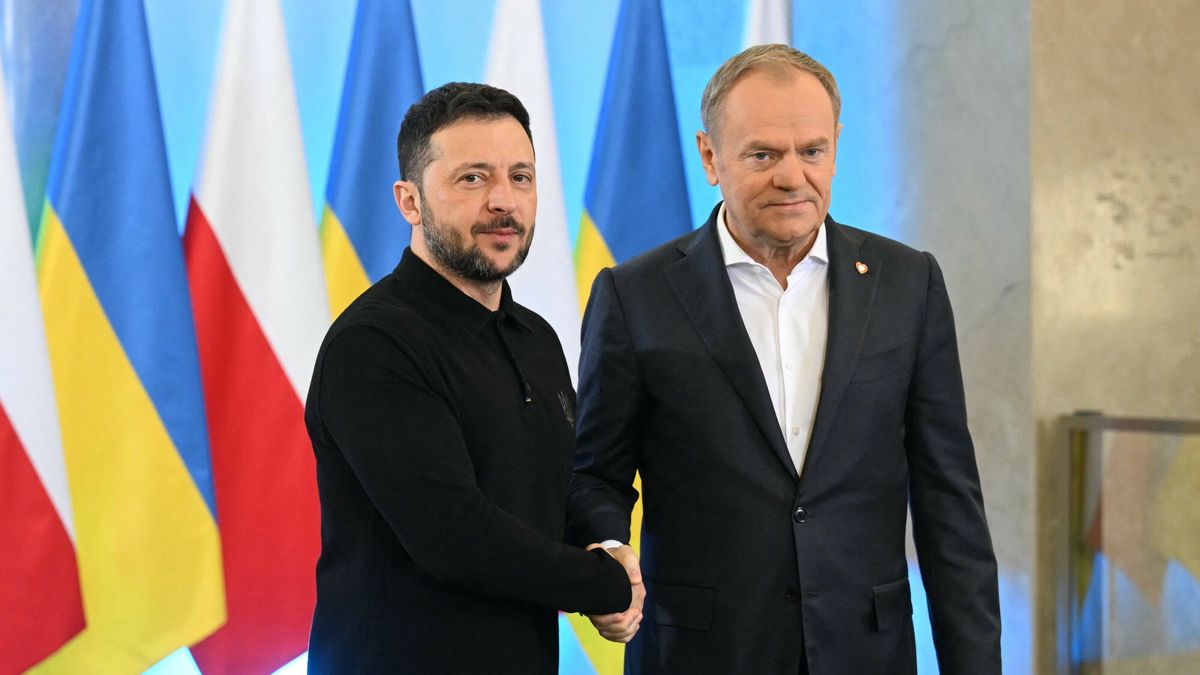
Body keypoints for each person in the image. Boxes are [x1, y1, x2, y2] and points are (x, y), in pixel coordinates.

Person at [567, 45, 1001, 674]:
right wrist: (606, 555)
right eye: (764, 154)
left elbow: (949, 502)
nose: (793, 176)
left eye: (813, 151)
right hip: (701, 655)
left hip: (865, 653)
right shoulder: (635, 296)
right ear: (710, 157)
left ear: (836, 145)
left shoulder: (909, 283)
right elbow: (595, 473)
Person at [305, 82, 641, 674]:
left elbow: (553, 486)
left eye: (520, 177)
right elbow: (454, 538)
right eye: (472, 178)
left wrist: (609, 545)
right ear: (409, 202)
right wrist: (603, 585)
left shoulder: (535, 337)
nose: (503, 202)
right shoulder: (375, 344)